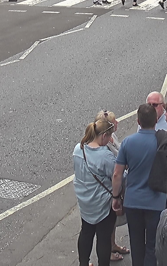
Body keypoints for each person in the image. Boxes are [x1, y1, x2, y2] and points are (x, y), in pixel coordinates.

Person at [112, 103, 167, 266]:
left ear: (138, 121)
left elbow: (117, 174)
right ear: (156, 121)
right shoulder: (165, 142)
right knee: (152, 244)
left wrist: (116, 197)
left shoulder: (128, 142)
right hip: (157, 202)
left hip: (133, 202)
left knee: (136, 242)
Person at [74, 113, 120, 266]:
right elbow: (118, 175)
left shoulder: (78, 150)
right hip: (102, 204)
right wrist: (116, 196)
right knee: (104, 237)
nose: (109, 141)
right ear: (104, 136)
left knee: (86, 232)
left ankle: (83, 263)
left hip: (85, 202)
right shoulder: (104, 155)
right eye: (109, 137)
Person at [98, 110, 131, 261]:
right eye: (115, 121)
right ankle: (108, 252)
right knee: (106, 223)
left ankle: (112, 245)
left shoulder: (112, 137)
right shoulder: (103, 146)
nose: (117, 122)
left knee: (112, 221)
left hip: (116, 185)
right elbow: (113, 169)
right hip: (108, 189)